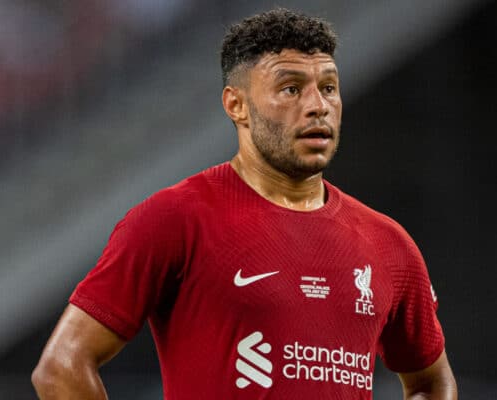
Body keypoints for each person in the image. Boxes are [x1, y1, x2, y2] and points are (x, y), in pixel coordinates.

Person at [32, 8, 457, 400]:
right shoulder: (176, 219)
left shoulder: (388, 244)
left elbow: (431, 382)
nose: (317, 106)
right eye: (291, 89)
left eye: (328, 87)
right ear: (237, 105)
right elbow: (61, 368)